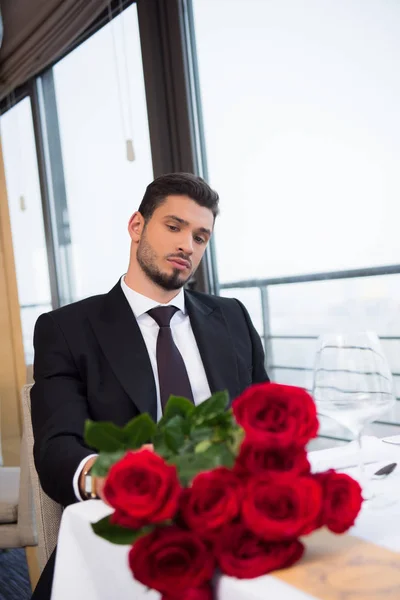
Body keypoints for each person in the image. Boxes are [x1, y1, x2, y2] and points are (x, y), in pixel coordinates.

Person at [30, 172, 269, 598]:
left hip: (232, 522)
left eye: (200, 237)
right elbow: (56, 450)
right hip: (129, 534)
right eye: (173, 227)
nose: (186, 246)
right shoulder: (67, 330)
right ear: (137, 226)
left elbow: (263, 427)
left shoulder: (232, 317)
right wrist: (108, 474)